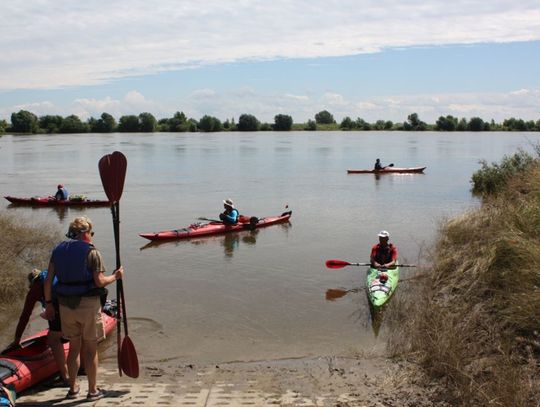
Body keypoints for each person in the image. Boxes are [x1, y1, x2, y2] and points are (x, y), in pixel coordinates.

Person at [44, 216, 123, 402]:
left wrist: (48, 304)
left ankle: (72, 389)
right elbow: (99, 281)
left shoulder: (58, 250)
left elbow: (48, 281)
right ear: (86, 233)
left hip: (65, 306)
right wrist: (116, 276)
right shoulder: (92, 252)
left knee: (73, 348)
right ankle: (93, 391)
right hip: (87, 306)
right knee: (90, 349)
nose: (92, 237)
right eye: (91, 233)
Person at [10, 268, 68, 384]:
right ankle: (82, 369)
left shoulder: (35, 289)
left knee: (53, 339)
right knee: (76, 337)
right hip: (71, 305)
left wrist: (17, 340)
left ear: (32, 282)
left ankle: (66, 377)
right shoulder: (53, 276)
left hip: (58, 308)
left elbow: (25, 316)